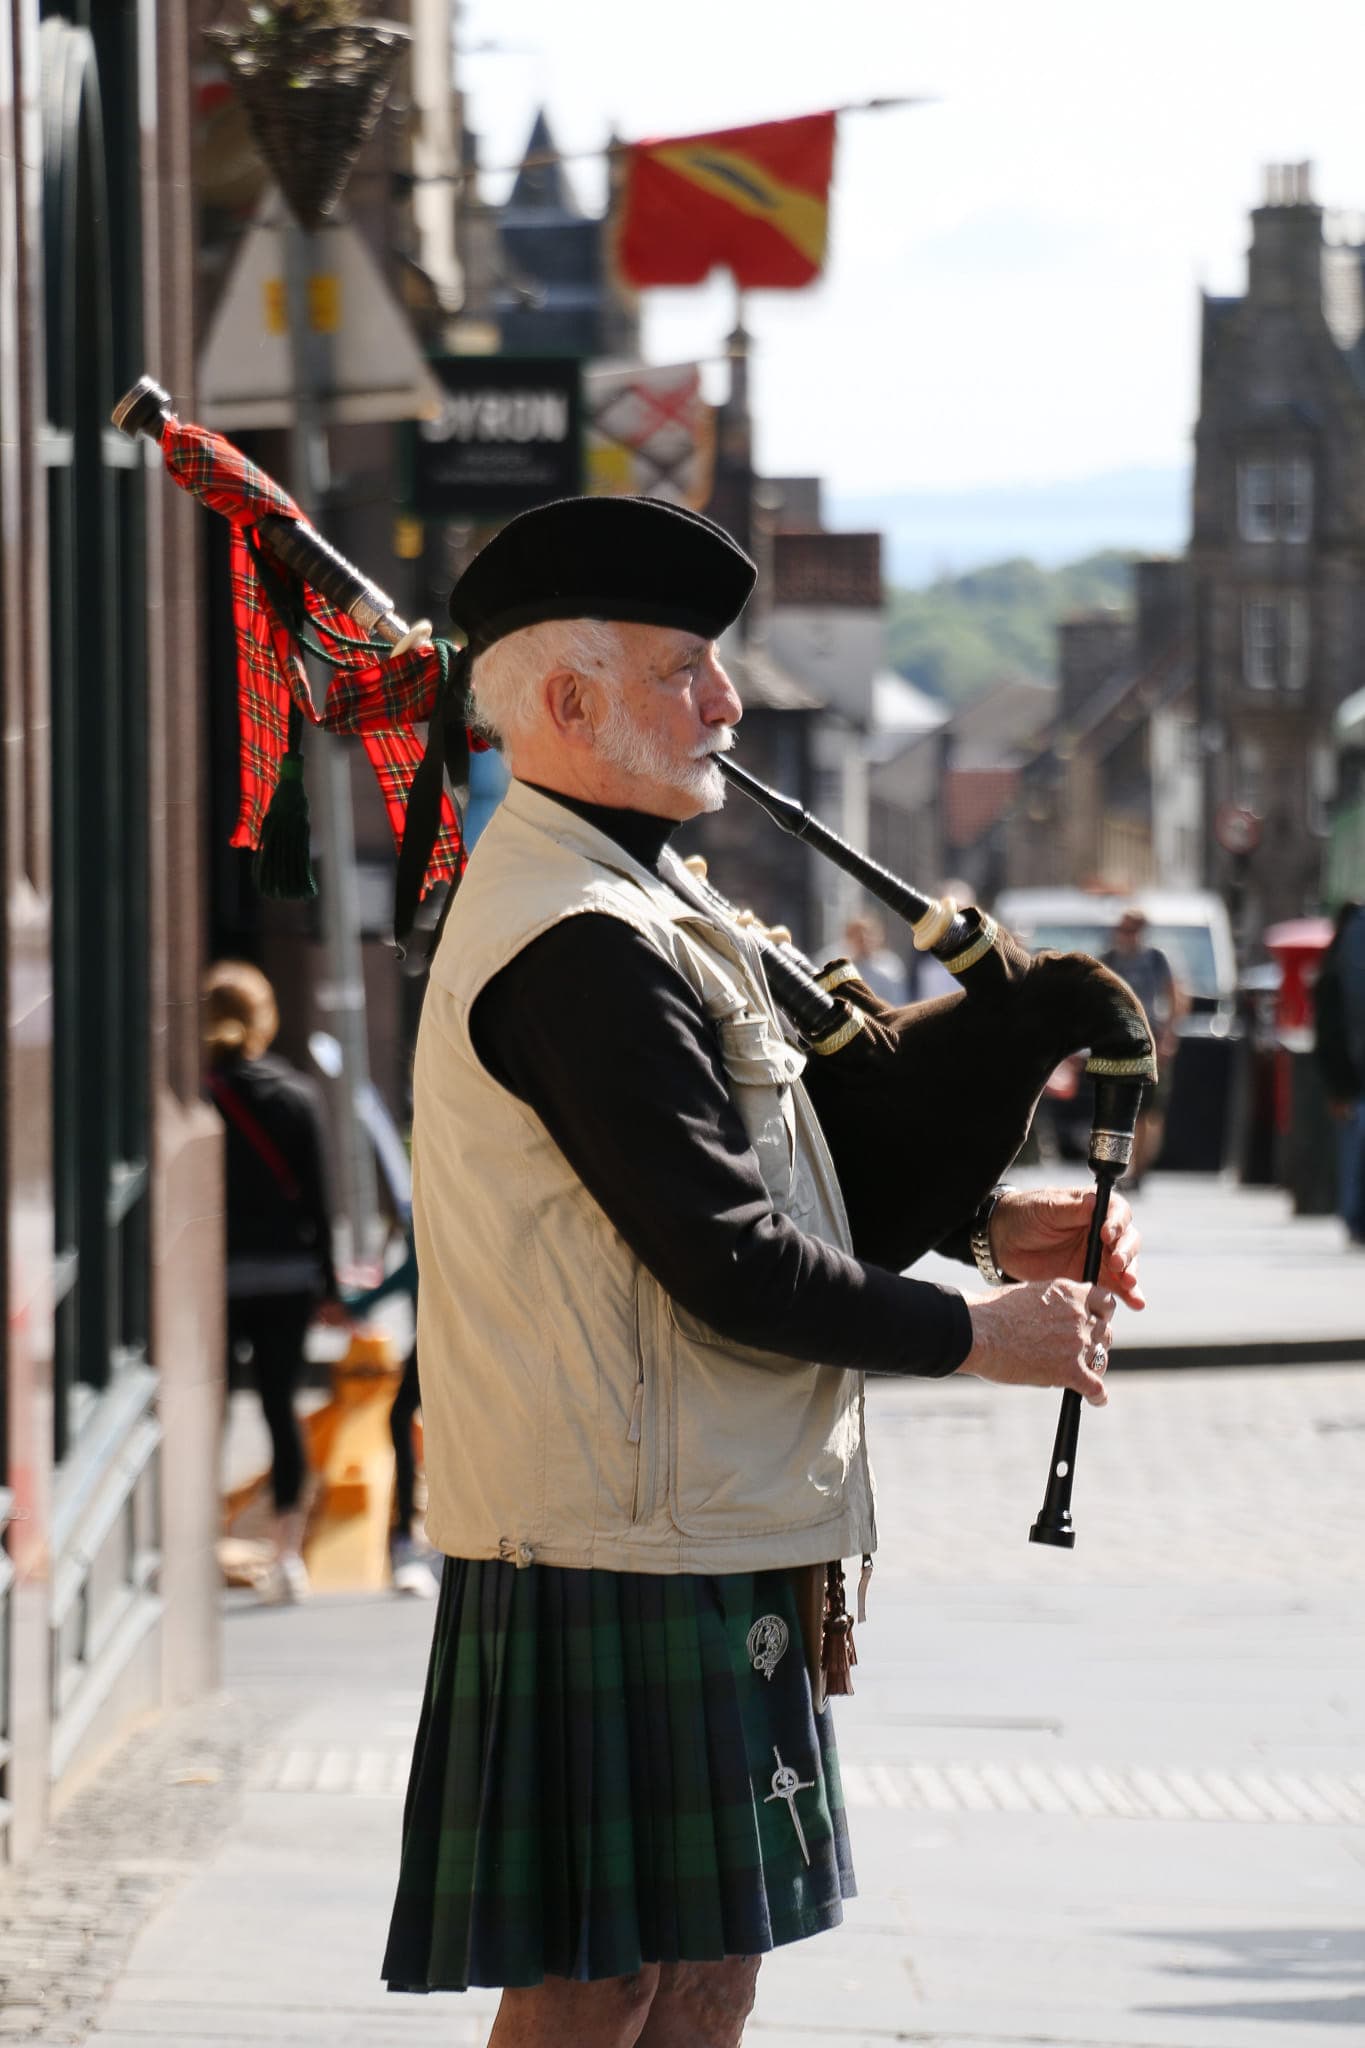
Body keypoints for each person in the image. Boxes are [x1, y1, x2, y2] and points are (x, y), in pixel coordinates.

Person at [381, 495, 1143, 2045]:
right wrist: (973, 1330)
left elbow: (769, 1174)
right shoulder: (572, 938)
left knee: (710, 1957)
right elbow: (724, 1258)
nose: (726, 703)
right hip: (608, 1523)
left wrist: (994, 1228)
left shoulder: (653, 904)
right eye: (686, 671)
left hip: (693, 1508)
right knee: (606, 1979)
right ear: (572, 704)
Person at [203, 961, 346, 1603]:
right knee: (278, 1407)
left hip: (213, 1279)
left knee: (205, 1411)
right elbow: (319, 1203)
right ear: (264, 1019)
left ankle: (196, 1544)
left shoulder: (196, 1095)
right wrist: (332, 1287)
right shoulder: (295, 1096)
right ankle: (286, 1555)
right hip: (287, 1277)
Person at [343, 1219, 439, 1594]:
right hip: (443, 1329)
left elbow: (414, 1270)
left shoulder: (430, 1187)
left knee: (408, 1418)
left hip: (442, 1329)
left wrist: (358, 1304)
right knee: (418, 1420)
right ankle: (420, 1533)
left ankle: (411, 1536)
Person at [1101, 905, 1182, 1190]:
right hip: (1119, 1042)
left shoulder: (1155, 959)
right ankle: (1118, 1166)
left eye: (1134, 930)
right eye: (1125, 929)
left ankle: (1139, 1169)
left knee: (1147, 1110)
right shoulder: (1109, 960)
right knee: (1118, 1107)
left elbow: (1176, 995)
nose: (1129, 936)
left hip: (1151, 1041)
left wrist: (1170, 1034)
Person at [1312, 901, 1365, 1246]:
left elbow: (1329, 1030)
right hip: (1353, 1076)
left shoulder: (1337, 962)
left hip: (1350, 1076)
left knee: (1353, 1149)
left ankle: (1354, 1217)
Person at [840, 911, 908, 1006]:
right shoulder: (840, 969)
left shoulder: (891, 966)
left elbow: (899, 1002)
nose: (864, 938)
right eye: (857, 933)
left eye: (868, 932)